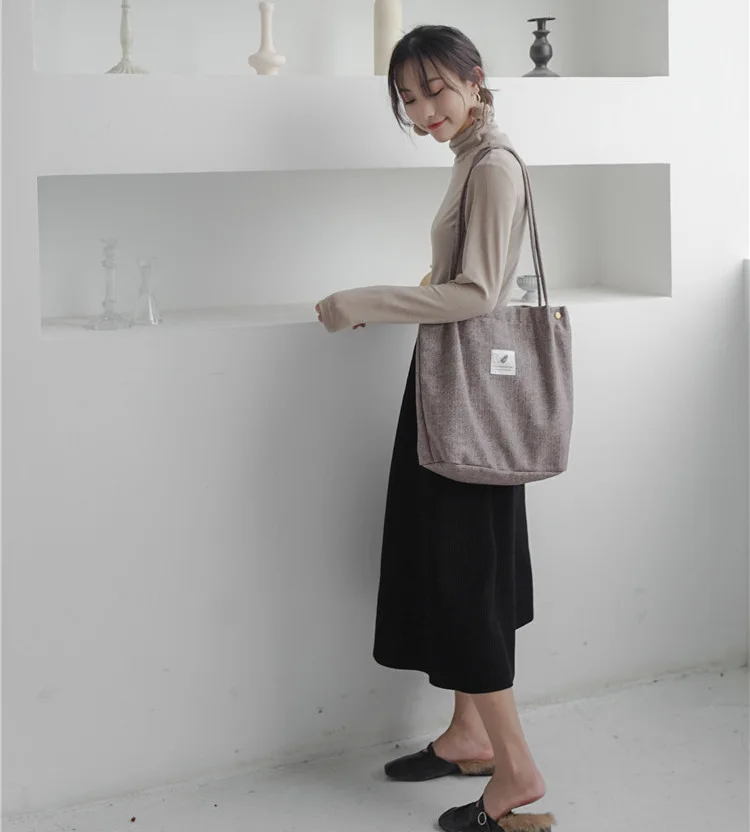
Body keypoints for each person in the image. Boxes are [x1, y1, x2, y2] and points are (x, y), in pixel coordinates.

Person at [315, 25, 556, 832]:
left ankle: (516, 770)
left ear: (475, 79)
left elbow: (480, 294)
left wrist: (364, 300)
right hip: (452, 395)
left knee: (466, 579)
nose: (423, 111)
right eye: (409, 99)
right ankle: (467, 737)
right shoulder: (468, 158)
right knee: (459, 568)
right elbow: (463, 275)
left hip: (468, 406)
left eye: (435, 90)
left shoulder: (493, 165)